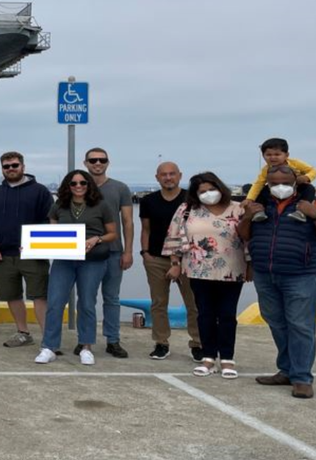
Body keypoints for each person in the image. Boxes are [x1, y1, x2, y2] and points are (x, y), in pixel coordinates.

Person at [241, 165, 316, 399]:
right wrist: (247, 217)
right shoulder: (260, 205)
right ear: (267, 184)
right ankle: (286, 369)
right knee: (276, 321)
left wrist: (312, 214)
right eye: (274, 183)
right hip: (265, 273)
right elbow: (244, 235)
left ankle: (302, 377)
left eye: (285, 182)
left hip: (301, 273)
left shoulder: (308, 204)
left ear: (296, 181)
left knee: (300, 324)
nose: (279, 186)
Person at [163, 171, 246, 378]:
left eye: (212, 189)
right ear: (195, 193)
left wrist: (251, 264)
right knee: (205, 314)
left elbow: (249, 238)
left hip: (232, 269)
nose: (208, 194)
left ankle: (227, 358)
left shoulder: (237, 209)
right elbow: (174, 236)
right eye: (203, 191)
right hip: (198, 270)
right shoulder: (187, 210)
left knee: (227, 315)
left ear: (220, 188)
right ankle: (208, 357)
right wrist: (175, 263)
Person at [34, 170, 117, 365]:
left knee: (87, 302)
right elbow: (52, 234)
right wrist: (33, 245)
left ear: (89, 185)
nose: (78, 186)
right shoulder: (58, 206)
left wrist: (97, 238)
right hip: (64, 260)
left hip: (93, 260)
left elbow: (113, 233)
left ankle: (86, 346)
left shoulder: (101, 205)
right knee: (55, 303)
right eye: (73, 183)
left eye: (83, 183)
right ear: (67, 186)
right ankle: (49, 346)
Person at [0, 150, 54, 347]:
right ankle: (23, 332)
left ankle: (49, 338)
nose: (11, 169)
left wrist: (36, 244)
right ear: (2, 169)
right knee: (11, 295)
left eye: (14, 165)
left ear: (23, 166)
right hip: (2, 255)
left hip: (32, 253)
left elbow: (49, 220)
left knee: (40, 295)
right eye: (6, 166)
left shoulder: (41, 191)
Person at [139, 162, 202, 361]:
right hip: (156, 258)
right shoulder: (148, 200)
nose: (168, 178)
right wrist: (145, 253)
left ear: (180, 176)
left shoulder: (191, 200)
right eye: (164, 174)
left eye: (172, 174)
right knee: (158, 303)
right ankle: (161, 343)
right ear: (157, 177)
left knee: (194, 303)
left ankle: (198, 344)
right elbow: (146, 229)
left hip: (188, 259)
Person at [82, 147, 133, 359]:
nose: (97, 163)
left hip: (113, 252)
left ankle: (113, 340)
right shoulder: (78, 186)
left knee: (111, 298)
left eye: (102, 160)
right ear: (85, 163)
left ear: (107, 162)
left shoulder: (120, 188)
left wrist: (128, 251)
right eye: (93, 160)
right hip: (86, 254)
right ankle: (85, 341)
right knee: (86, 299)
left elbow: (128, 221)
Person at [246, 137, 316, 203]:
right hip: (276, 190)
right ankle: (260, 211)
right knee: (262, 190)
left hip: (296, 188)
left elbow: (313, 171)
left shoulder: (295, 163)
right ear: (263, 156)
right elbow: (258, 184)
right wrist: (250, 199)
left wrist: (306, 177)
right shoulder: (266, 169)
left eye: (277, 154)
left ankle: (302, 208)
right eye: (268, 155)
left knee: (309, 188)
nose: (272, 157)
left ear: (286, 155)